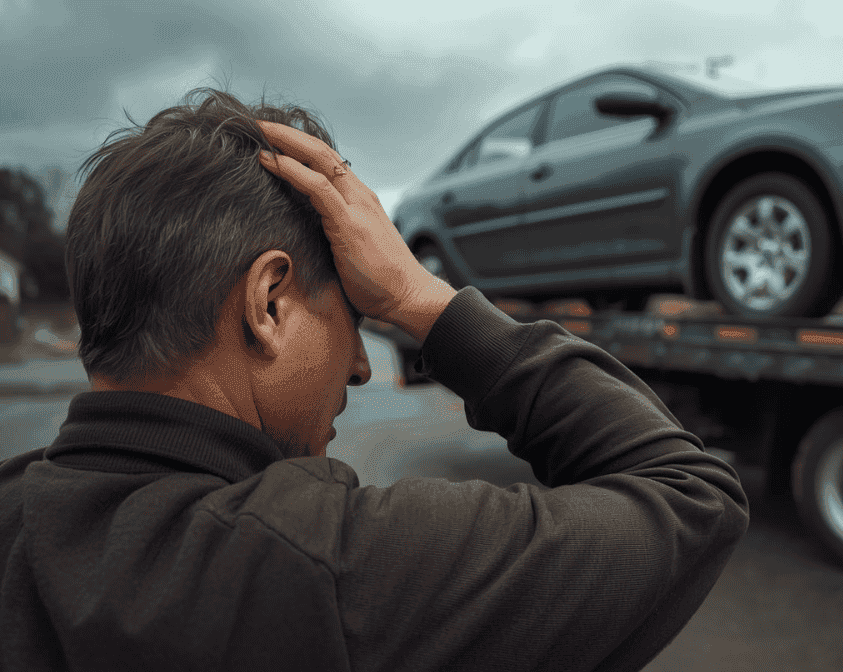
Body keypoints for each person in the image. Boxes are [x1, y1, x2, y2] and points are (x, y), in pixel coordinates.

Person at [0, 88, 749, 671]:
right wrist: (421, 301)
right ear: (268, 303)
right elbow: (690, 495)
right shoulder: (328, 567)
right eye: (355, 314)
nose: (362, 364)